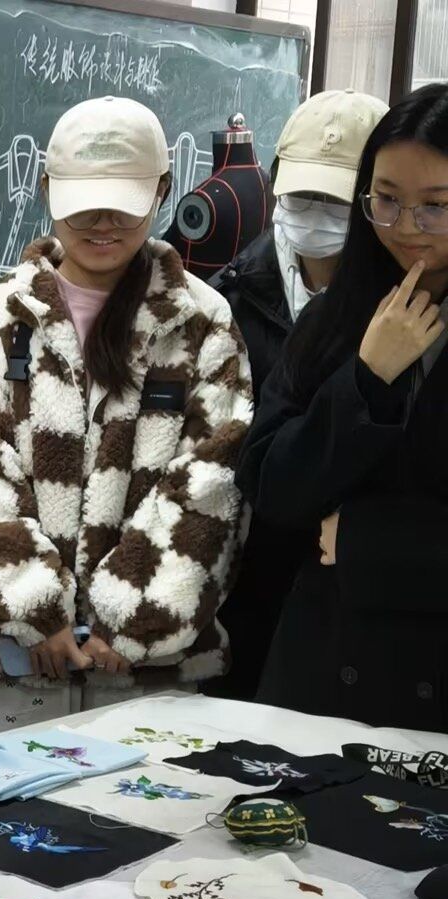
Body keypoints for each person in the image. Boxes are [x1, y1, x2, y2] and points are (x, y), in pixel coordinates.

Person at [0, 96, 253, 733]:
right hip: (14, 665)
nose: (102, 221)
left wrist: (129, 620)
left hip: (150, 671)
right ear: (46, 188)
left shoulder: (201, 321)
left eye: (123, 202)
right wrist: (35, 610)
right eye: (82, 201)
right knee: (8, 802)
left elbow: (210, 484)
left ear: (162, 190)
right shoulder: (2, 318)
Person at [239, 84, 448, 732]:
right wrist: (367, 379)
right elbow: (270, 484)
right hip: (322, 676)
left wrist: (370, 540)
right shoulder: (335, 316)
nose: (405, 227)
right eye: (386, 200)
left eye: (435, 206)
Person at [206, 89, 388, 702]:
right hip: (243, 587)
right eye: (303, 194)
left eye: (335, 199)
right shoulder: (229, 295)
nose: (316, 213)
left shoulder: (402, 313)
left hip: (352, 593)